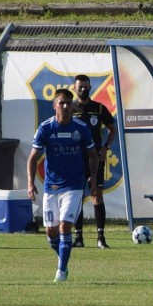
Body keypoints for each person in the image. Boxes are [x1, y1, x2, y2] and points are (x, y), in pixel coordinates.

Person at [26, 88, 99, 282]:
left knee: (65, 226)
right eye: (62, 103)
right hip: (52, 187)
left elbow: (93, 155)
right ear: (55, 105)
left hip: (74, 185)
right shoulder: (46, 128)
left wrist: (92, 178)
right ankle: (63, 259)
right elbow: (33, 158)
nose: (65, 106)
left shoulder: (81, 128)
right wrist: (30, 183)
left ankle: (60, 271)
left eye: (68, 103)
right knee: (51, 231)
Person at [71, 74, 117, 249]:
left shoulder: (99, 108)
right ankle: (79, 238)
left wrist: (105, 147)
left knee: (96, 195)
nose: (83, 89)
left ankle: (100, 237)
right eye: (80, 86)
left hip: (95, 159)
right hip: (75, 159)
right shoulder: (70, 108)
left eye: (86, 86)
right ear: (74, 88)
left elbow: (112, 129)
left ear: (90, 87)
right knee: (76, 197)